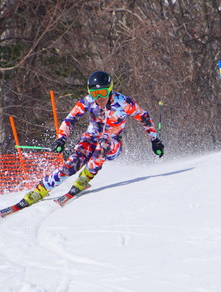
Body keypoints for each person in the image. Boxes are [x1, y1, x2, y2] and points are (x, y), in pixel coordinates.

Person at [16, 71, 164, 208]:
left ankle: (84, 178)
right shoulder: (88, 101)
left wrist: (154, 140)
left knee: (104, 144)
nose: (99, 97)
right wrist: (61, 139)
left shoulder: (123, 103)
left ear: (110, 89)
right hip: (91, 139)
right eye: (94, 93)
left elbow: (144, 116)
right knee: (71, 165)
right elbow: (70, 120)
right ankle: (42, 189)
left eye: (102, 92)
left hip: (112, 143)